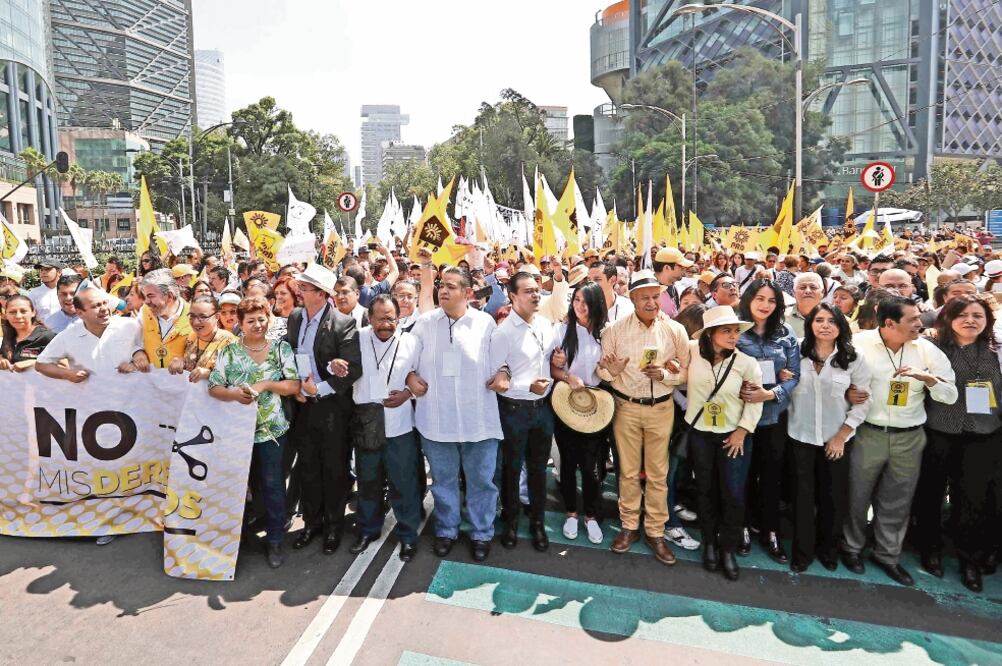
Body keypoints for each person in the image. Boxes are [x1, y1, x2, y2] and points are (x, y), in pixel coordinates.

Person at [842, 296, 958, 586]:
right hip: (868, 432)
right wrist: (846, 394)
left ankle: (887, 555)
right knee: (857, 495)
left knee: (897, 501)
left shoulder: (927, 351)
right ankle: (851, 548)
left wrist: (928, 379)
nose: (920, 323)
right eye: (912, 319)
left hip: (909, 438)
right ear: (890, 323)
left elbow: (951, 395)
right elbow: (836, 380)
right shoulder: (859, 344)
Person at [406, 266, 503, 562]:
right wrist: (409, 377)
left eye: (450, 286)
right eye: (440, 285)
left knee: (481, 482)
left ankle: (481, 533)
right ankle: (446, 530)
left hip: (479, 419)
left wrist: (503, 372)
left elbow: (503, 361)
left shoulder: (485, 323)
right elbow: (404, 360)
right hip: (437, 420)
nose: (443, 290)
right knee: (443, 481)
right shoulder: (423, 324)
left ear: (467, 293)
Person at [597, 269, 690, 566]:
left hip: (662, 407)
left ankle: (655, 531)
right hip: (625, 407)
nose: (651, 302)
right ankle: (629, 527)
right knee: (627, 471)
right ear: (632, 298)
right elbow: (602, 370)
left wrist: (664, 374)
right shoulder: (614, 330)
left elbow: (687, 372)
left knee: (658, 473)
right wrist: (610, 372)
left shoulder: (675, 330)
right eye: (645, 297)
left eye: (655, 296)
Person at [914, 295, 1001, 592]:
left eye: (978, 315)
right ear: (948, 318)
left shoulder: (996, 350)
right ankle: (930, 549)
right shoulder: (932, 348)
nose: (970, 320)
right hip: (940, 430)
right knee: (931, 492)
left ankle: (969, 560)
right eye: (962, 315)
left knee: (972, 499)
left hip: (983, 434)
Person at [209, 296, 301, 568]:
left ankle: (274, 540)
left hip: (271, 430)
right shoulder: (229, 352)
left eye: (262, 319)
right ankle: (237, 540)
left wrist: (265, 384)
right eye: (251, 321)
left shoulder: (280, 349)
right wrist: (235, 394)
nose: (258, 325)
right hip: (237, 432)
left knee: (273, 486)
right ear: (240, 323)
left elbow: (293, 385)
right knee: (237, 486)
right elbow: (214, 387)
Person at [788, 304, 870, 572]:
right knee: (802, 497)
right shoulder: (795, 351)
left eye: (832, 321)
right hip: (800, 436)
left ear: (841, 326)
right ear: (810, 323)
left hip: (837, 439)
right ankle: (802, 552)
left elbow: (862, 403)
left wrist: (841, 436)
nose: (825, 325)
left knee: (833, 499)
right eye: (819, 320)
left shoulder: (853, 357)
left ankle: (828, 550)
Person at [287, 264, 362, 555]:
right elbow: (290, 353)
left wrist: (323, 388)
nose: (300, 292)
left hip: (331, 408)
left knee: (334, 468)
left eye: (305, 288)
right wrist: (297, 387)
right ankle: (311, 523)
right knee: (308, 467)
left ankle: (333, 527)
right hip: (303, 405)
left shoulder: (343, 323)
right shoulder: (295, 317)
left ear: (321, 294)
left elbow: (352, 369)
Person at [685, 306, 763, 581]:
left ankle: (727, 548)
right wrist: (663, 373)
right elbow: (679, 376)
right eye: (726, 331)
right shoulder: (693, 351)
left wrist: (743, 430)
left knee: (732, 493)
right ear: (709, 334)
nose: (733, 336)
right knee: (705, 490)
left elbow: (754, 402)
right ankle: (708, 542)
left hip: (734, 437)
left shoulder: (746, 363)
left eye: (735, 331)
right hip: (701, 434)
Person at [347, 295, 422, 562]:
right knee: (368, 481)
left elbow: (421, 380)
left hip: (399, 424)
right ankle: (368, 530)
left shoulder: (412, 342)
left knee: (404, 482)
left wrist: (407, 395)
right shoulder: (356, 338)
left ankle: (408, 536)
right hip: (367, 422)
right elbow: (344, 373)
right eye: (380, 318)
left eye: (391, 318)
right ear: (370, 318)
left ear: (399, 319)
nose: (386, 324)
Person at [488, 270, 558, 552]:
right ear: (513, 296)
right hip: (514, 410)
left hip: (542, 411)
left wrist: (559, 362)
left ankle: (538, 522)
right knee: (512, 468)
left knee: (540, 470)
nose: (535, 294)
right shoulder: (503, 333)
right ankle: (511, 521)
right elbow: (495, 380)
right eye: (528, 291)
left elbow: (553, 360)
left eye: (537, 289)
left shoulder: (546, 325)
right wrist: (527, 386)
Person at [736, 279, 800, 563]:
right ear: (748, 299)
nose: (765, 305)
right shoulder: (735, 331)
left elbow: (794, 375)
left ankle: (770, 530)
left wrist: (770, 393)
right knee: (742, 475)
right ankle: (742, 526)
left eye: (772, 301)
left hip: (774, 417)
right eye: (760, 298)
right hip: (741, 417)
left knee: (772, 477)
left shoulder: (786, 334)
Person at [550, 282, 609, 544]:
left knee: (592, 467)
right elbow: (552, 370)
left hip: (596, 407)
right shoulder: (562, 331)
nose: (580, 306)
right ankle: (571, 512)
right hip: (565, 403)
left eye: (585, 301)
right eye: (575, 300)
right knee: (567, 463)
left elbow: (608, 371)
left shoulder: (606, 333)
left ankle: (592, 516)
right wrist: (565, 374)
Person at [168, 295, 236, 382]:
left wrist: (209, 374)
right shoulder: (190, 336)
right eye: (192, 316)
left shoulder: (230, 343)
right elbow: (179, 358)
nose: (196, 322)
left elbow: (239, 378)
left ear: (217, 317)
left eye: (203, 317)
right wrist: (179, 361)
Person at [138, 268, 191, 369]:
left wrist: (185, 360)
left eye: (151, 296)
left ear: (169, 296)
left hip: (181, 383)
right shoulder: (144, 311)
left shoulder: (194, 316)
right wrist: (137, 352)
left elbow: (203, 355)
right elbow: (135, 341)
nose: (146, 301)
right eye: (145, 296)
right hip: (150, 381)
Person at [0, 295, 55, 371]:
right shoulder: (8, 336)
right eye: (12, 312)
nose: (18, 316)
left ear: (33, 313)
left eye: (23, 311)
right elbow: (3, 355)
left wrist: (33, 363)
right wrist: (2, 360)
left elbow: (64, 365)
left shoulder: (46, 336)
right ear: (6, 315)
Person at [653, 247, 693, 317]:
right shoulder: (648, 290)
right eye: (681, 266)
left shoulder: (677, 287)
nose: (684, 270)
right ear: (667, 268)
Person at [357, 241, 399, 307]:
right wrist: (386, 252)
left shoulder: (346, 291)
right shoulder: (374, 291)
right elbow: (395, 272)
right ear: (368, 272)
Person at [785, 273, 824, 338]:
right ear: (793, 293)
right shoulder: (781, 318)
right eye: (802, 287)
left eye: (813, 287)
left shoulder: (835, 318)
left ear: (822, 292)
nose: (808, 291)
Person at [29, 259, 63, 324]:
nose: (43, 272)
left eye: (47, 269)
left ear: (59, 272)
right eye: (41, 270)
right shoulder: (33, 293)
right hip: (44, 332)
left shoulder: (69, 291)